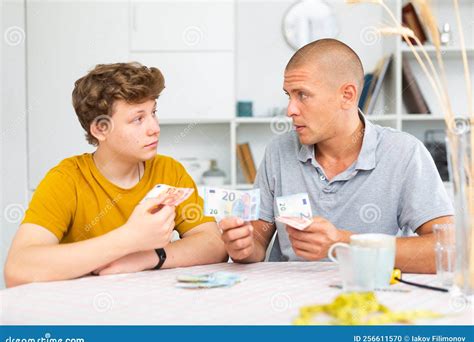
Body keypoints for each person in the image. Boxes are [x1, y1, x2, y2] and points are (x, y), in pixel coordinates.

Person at [220, 39, 453, 273]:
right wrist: (243, 246)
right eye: (288, 95)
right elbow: (257, 243)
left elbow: (447, 250)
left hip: (369, 298)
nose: (290, 110)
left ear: (347, 95)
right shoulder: (278, 152)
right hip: (289, 299)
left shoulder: (404, 153)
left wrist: (343, 243)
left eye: (302, 95)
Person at [4, 62, 227, 287]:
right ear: (101, 128)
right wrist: (129, 238)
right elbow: (18, 269)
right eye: (138, 119)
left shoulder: (168, 171)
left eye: (153, 112)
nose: (155, 128)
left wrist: (147, 257)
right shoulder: (66, 179)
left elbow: (214, 244)